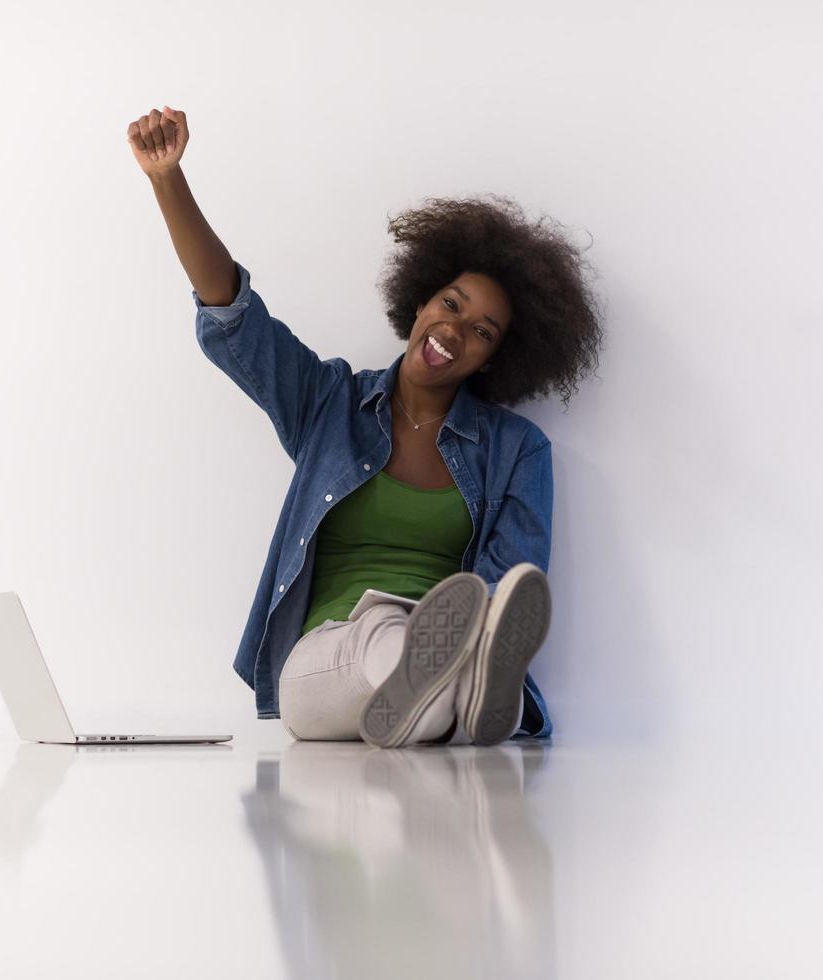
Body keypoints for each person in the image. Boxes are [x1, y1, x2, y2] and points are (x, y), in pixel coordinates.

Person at [128, 105, 604, 747]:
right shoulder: (327, 403)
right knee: (388, 641)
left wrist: (474, 627)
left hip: (444, 643)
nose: (453, 331)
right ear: (421, 300)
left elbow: (509, 578)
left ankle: (453, 691)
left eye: (481, 332)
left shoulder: (518, 449)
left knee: (439, 650)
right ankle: (471, 694)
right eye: (450, 305)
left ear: (497, 359)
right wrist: (167, 180)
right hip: (329, 659)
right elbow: (233, 315)